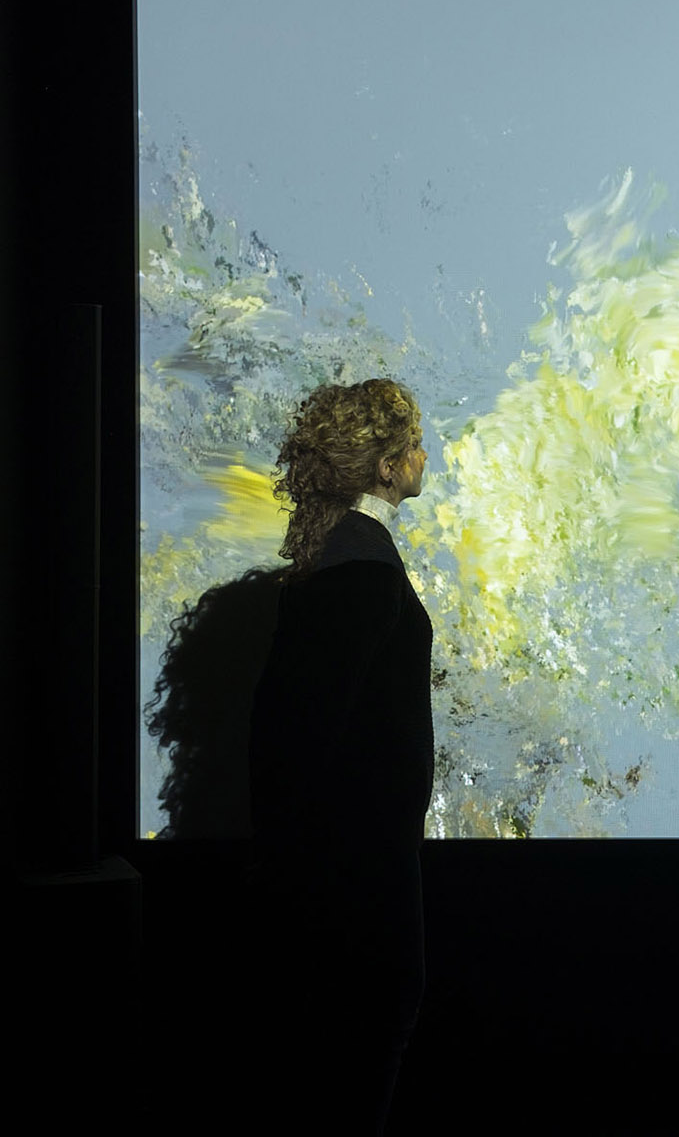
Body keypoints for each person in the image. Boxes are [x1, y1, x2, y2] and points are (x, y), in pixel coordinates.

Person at [244, 378, 432, 1134]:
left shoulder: (347, 554)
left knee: (353, 1040)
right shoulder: (359, 568)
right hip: (360, 866)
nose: (424, 456)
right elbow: (301, 731)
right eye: (414, 443)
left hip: (353, 859)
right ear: (386, 466)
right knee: (369, 1031)